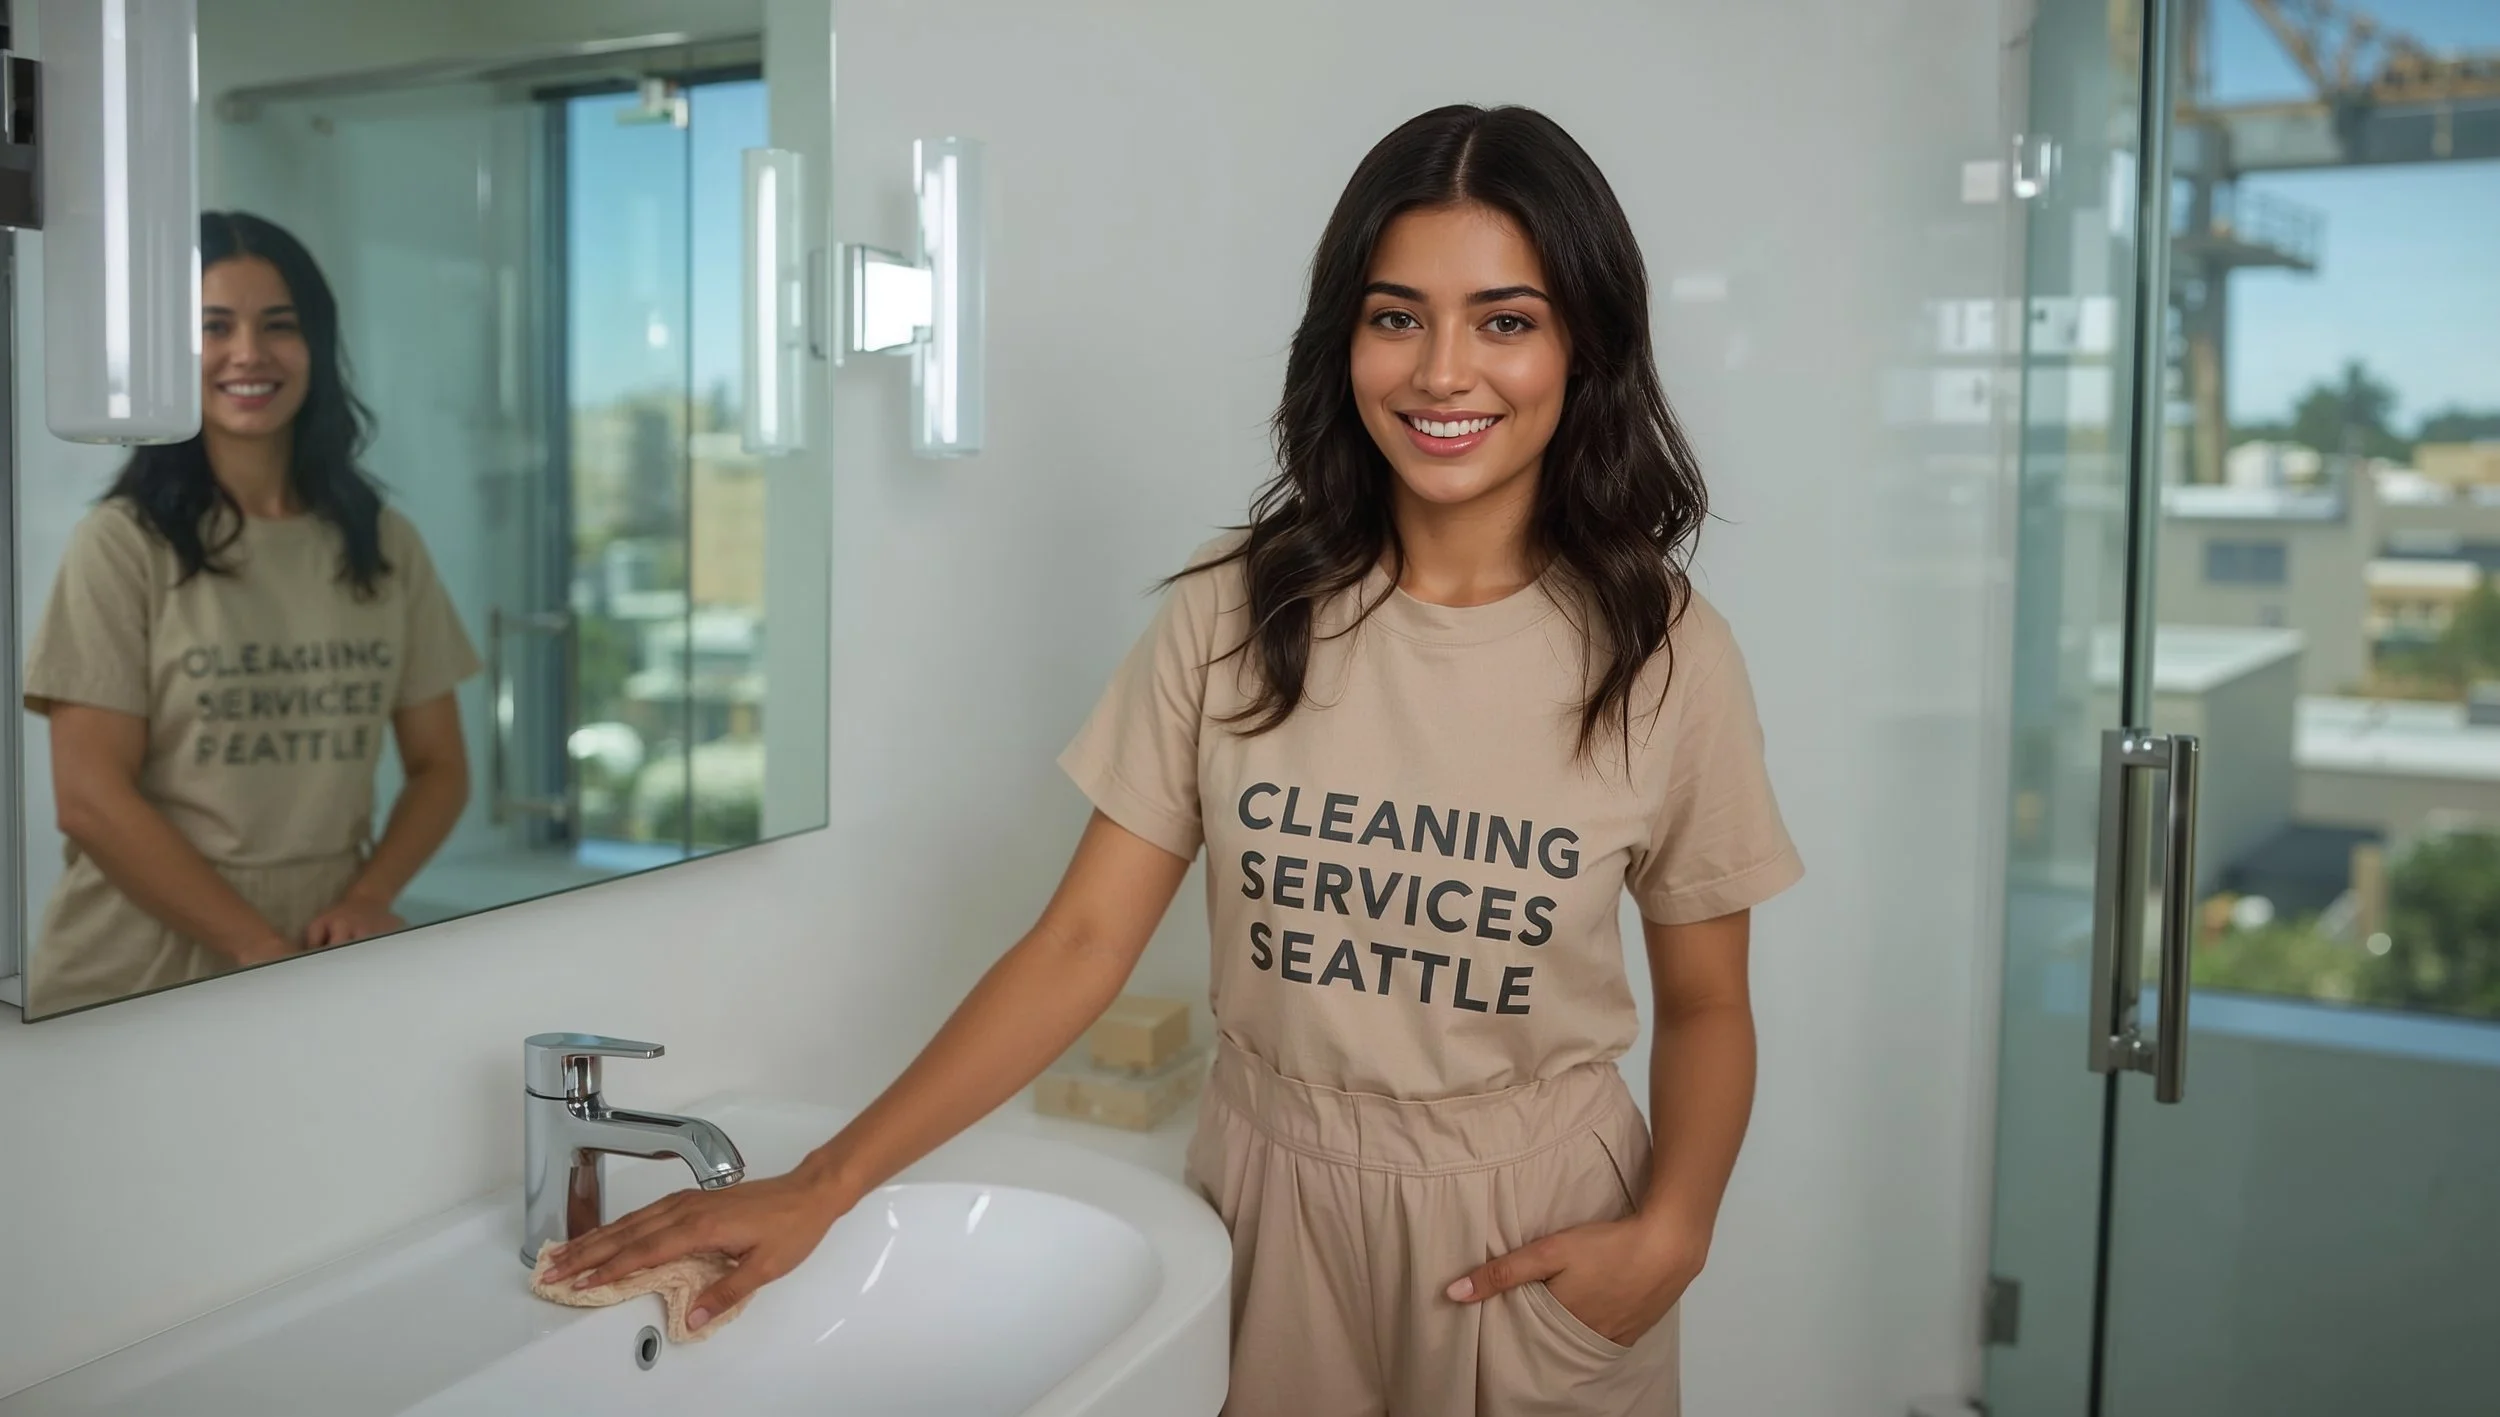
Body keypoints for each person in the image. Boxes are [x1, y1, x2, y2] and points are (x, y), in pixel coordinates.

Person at [544, 104, 1802, 1414]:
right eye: (1394, 316)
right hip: (1267, 1197)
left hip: (1534, 1217)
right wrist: (826, 1179)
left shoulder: (1664, 653)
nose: (1441, 372)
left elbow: (1709, 1002)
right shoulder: (1234, 610)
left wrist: (1675, 1229)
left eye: (1504, 319)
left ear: (1582, 342)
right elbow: (1084, 942)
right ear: (1343, 338)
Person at [22, 211, 481, 1017]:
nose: (248, 353)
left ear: (317, 347)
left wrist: (371, 897)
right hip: (137, 961)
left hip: (317, 945)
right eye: (213, 326)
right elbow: (89, 795)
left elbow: (441, 766)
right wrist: (251, 944)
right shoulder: (122, 544)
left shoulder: (382, 544)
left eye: (279, 325)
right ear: (171, 351)